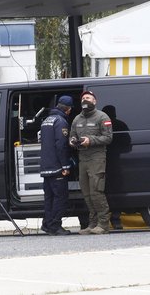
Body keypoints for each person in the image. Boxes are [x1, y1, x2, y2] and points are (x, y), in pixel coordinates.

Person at [69, 91, 113, 235]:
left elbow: (108, 138)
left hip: (97, 158)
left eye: (88, 98)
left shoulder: (102, 117)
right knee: (86, 193)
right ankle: (93, 224)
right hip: (83, 158)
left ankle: (103, 224)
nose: (85, 100)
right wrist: (72, 142)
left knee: (96, 191)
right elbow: (72, 136)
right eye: (83, 98)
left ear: (94, 101)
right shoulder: (77, 119)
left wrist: (91, 140)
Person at [39, 95, 74, 236]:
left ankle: (47, 224)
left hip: (46, 166)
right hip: (57, 167)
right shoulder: (61, 122)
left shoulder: (46, 120)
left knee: (49, 198)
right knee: (60, 197)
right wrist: (65, 166)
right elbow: (61, 146)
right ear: (68, 109)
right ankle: (55, 225)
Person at [102, 104, 130, 230]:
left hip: (101, 161)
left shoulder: (100, 124)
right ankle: (116, 218)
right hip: (115, 161)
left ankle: (104, 219)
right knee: (117, 190)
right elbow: (128, 144)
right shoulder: (121, 124)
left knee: (101, 191)